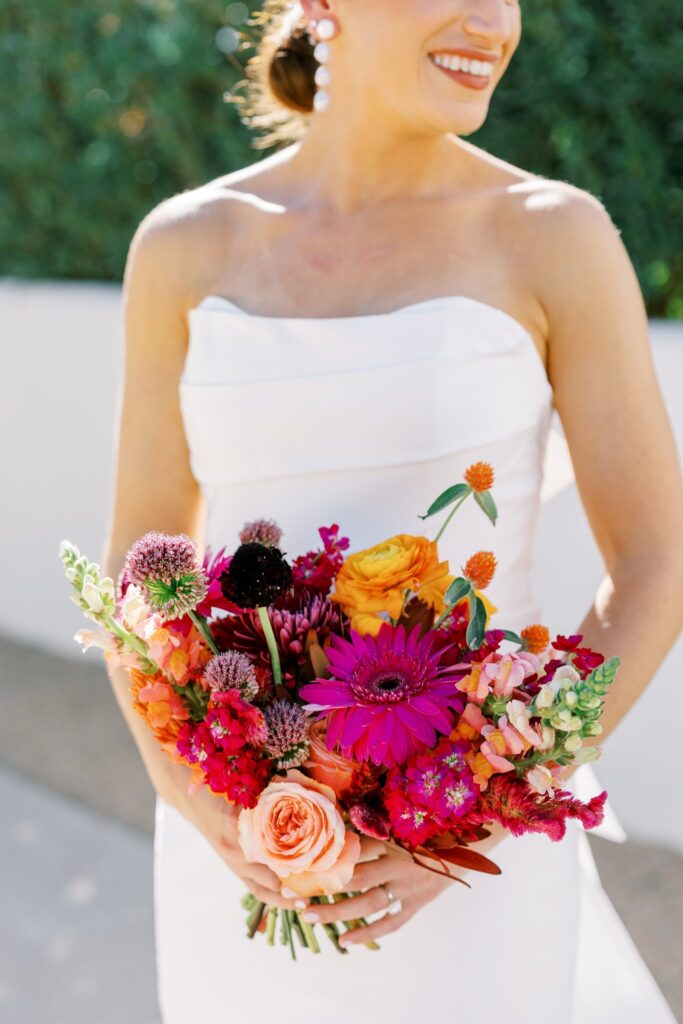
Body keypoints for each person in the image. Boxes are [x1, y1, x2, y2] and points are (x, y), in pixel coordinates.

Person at [101, 1, 683, 1021]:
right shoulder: (184, 247)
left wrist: (484, 808)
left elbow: (653, 565)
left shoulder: (554, 235)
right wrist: (210, 813)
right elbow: (136, 579)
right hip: (238, 863)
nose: (492, 21)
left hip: (465, 868)